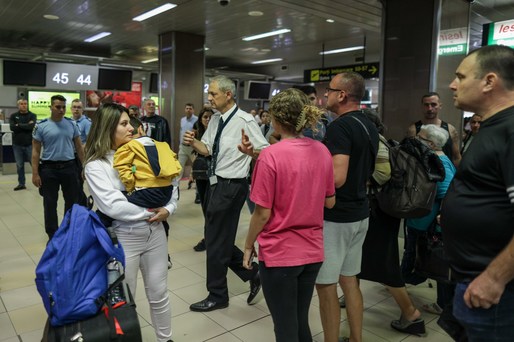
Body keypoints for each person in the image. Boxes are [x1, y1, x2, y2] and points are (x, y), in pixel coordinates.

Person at [242, 88, 335, 342]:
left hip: (280, 254)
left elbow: (262, 213)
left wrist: (249, 245)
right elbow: (330, 201)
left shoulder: (270, 156)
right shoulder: (322, 151)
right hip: (312, 252)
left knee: (284, 327)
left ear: (276, 119)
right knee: (299, 320)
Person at [84, 103, 177, 342]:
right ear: (107, 128)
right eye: (124, 124)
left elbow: (170, 181)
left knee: (159, 293)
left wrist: (168, 208)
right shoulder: (97, 166)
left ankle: (165, 340)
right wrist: (153, 212)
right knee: (125, 299)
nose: (132, 128)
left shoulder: (143, 150)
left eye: (130, 123)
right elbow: (114, 207)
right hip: (122, 238)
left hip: (156, 233)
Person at [441, 44, 514, 340]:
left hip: (495, 289)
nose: (452, 84)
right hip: (474, 279)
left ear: (489, 81)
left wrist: (495, 279)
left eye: (460, 76)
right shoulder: (492, 128)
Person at [183, 75, 269, 312]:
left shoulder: (245, 121)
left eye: (213, 94)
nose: (209, 98)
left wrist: (251, 152)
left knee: (216, 240)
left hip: (232, 185)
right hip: (215, 183)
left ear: (228, 95)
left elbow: (268, 153)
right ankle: (253, 273)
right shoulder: (216, 120)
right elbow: (208, 149)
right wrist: (194, 143)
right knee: (215, 238)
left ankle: (218, 295)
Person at [315, 72, 378, 342]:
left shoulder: (340, 127)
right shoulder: (368, 124)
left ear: (342, 95)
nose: (325, 95)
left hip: (337, 219)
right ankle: (356, 338)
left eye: (329, 90)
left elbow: (337, 177)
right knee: (350, 280)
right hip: (360, 213)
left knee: (326, 284)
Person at [358, 109, 426, 336]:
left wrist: (361, 183)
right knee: (361, 260)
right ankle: (349, 295)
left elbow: (383, 173)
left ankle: (411, 314)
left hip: (378, 212)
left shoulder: (375, 142)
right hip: (383, 211)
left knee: (385, 265)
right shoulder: (380, 141)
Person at [398, 125, 456, 325]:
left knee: (419, 259)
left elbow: (448, 192)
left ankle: (397, 285)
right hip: (422, 221)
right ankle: (441, 302)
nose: (416, 140)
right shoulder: (435, 159)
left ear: (430, 144)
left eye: (420, 138)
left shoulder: (439, 162)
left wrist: (441, 216)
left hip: (426, 224)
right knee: (435, 263)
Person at [32, 95, 83, 240]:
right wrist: (35, 173)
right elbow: (35, 151)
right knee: (49, 203)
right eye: (58, 107)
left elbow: (79, 147)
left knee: (72, 201)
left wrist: (84, 167)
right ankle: (52, 235)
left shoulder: (71, 124)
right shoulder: (41, 126)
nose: (61, 110)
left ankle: (67, 231)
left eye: (63, 107)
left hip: (69, 167)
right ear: (51, 107)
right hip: (49, 169)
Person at [113, 115, 181, 208]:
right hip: (167, 192)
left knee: (112, 204)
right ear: (141, 129)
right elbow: (175, 169)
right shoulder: (164, 145)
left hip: (147, 192)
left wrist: (130, 188)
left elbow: (122, 167)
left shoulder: (128, 147)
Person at [141, 98, 173, 268]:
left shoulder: (162, 121)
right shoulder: (140, 122)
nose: (152, 107)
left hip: (159, 161)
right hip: (143, 165)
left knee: (161, 204)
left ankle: (163, 253)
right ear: (144, 107)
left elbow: (167, 140)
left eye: (154, 104)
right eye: (149, 104)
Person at [406, 92, 461, 167]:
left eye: (433, 104)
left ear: (440, 106)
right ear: (422, 106)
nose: (430, 108)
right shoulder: (413, 130)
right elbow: (409, 157)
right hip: (423, 175)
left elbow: (456, 157)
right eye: (426, 105)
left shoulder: (450, 129)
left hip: (446, 173)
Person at [192, 108, 213, 252]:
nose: (208, 119)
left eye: (210, 117)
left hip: (214, 173)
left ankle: (210, 238)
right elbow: (194, 153)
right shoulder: (197, 133)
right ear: (200, 119)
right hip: (200, 173)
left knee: (212, 208)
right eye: (205, 117)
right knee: (205, 207)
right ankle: (209, 238)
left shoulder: (218, 133)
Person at [9, 99, 37, 191]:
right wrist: (26, 125)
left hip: (29, 144)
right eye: (22, 104)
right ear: (18, 105)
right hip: (17, 145)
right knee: (19, 165)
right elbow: (12, 127)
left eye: (25, 104)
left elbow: (31, 127)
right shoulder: (14, 116)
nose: (24, 105)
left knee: (34, 164)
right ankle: (21, 184)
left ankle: (40, 181)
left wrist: (19, 125)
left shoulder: (32, 115)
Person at [71, 99, 91, 206]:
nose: (76, 109)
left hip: (80, 157)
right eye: (74, 107)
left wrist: (80, 148)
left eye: (79, 107)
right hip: (69, 157)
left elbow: (90, 140)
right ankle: (79, 204)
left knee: (78, 183)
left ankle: (83, 205)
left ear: (82, 109)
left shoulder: (86, 122)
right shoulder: (69, 121)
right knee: (72, 184)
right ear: (71, 109)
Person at [177, 103, 198, 180]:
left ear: (193, 110)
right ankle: (176, 186)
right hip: (183, 147)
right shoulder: (182, 120)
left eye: (190, 108)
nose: (188, 110)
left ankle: (196, 183)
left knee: (196, 165)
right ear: (185, 110)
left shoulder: (197, 120)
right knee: (179, 166)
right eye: (187, 108)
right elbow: (181, 132)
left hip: (193, 147)